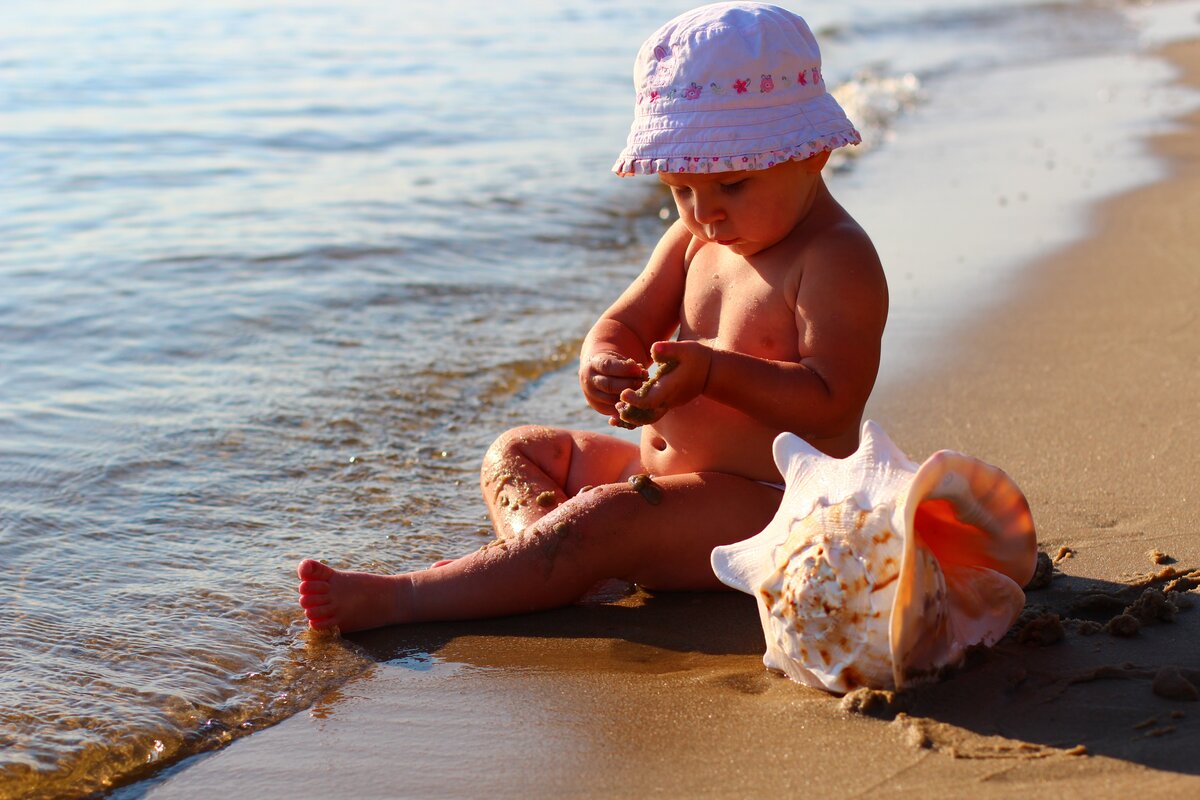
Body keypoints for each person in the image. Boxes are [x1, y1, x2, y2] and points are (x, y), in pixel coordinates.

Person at [297, 2, 888, 633]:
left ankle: (412, 596)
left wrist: (713, 374)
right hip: (663, 484)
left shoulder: (835, 258)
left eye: (733, 185)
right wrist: (602, 362)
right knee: (517, 451)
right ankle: (538, 561)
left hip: (769, 506)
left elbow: (831, 401)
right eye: (681, 190)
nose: (705, 212)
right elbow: (623, 324)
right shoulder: (694, 242)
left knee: (609, 515)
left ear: (813, 153)